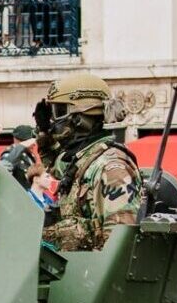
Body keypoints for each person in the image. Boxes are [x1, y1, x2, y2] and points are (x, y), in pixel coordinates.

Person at [38, 72, 138, 252]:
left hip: (94, 275)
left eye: (59, 112)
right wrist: (43, 132)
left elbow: (121, 243)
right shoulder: (85, 158)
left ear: (81, 117)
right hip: (75, 270)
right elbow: (56, 166)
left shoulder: (111, 167)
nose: (54, 121)